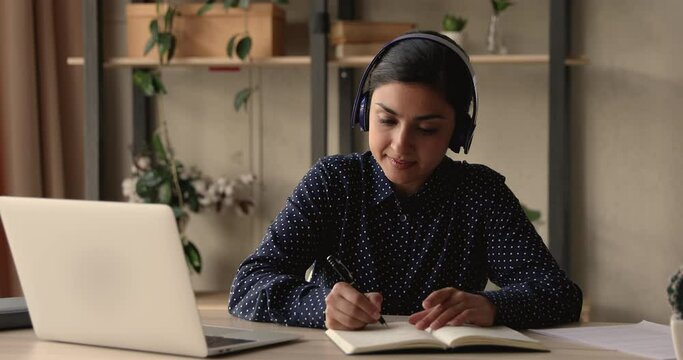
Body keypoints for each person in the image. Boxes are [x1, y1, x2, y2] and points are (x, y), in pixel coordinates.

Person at [228, 31, 582, 331]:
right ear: (365, 113)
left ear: (457, 133)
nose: (400, 145)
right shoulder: (333, 183)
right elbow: (247, 286)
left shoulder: (481, 194)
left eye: (427, 129)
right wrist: (320, 305)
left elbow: (559, 294)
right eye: (386, 120)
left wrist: (491, 306)